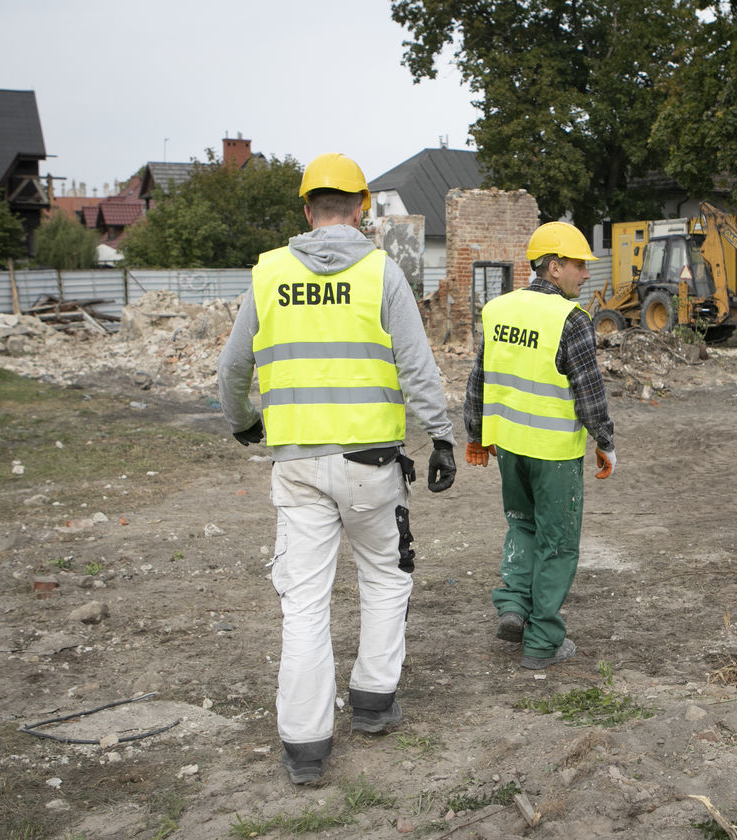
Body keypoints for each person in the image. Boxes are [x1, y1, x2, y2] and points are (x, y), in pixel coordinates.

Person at [216, 152, 456, 785]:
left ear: (305, 210)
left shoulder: (267, 275)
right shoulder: (382, 273)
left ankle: (305, 746)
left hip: (295, 467)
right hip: (371, 466)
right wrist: (441, 437)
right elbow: (416, 366)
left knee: (304, 603)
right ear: (363, 210)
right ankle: (374, 702)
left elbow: (232, 369)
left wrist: (242, 421)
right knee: (384, 577)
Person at [463, 221, 615, 670]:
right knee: (558, 542)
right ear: (553, 268)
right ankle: (543, 641)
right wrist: (605, 441)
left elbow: (479, 380)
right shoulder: (571, 320)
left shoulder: (498, 310)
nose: (585, 275)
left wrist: (475, 435)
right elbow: (590, 394)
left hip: (509, 448)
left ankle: (512, 606)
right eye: (578, 266)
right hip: (553, 454)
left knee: (521, 526)